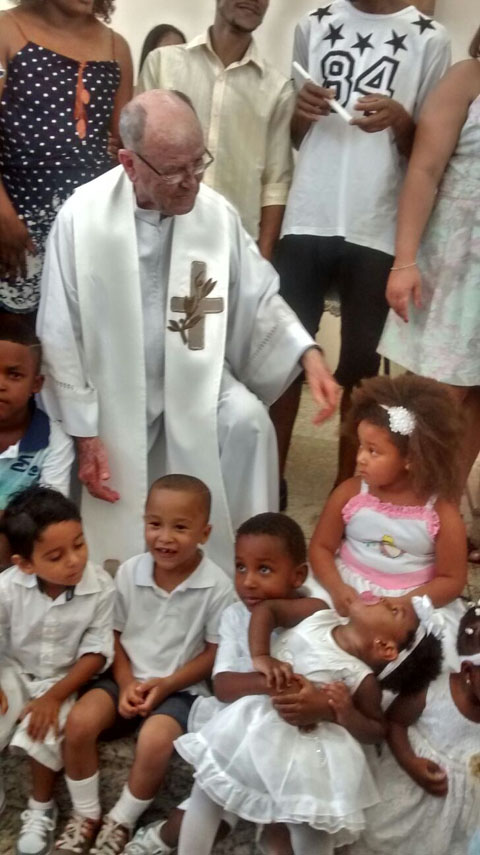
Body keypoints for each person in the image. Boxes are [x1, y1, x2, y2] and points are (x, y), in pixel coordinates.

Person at [37, 89, 339, 570]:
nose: (192, 182)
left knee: (248, 422)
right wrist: (86, 434)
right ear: (130, 163)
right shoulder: (82, 217)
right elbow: (59, 330)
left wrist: (308, 353)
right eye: (174, 171)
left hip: (194, 383)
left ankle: (245, 566)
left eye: (199, 163)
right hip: (111, 396)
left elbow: (258, 296)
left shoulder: (214, 214)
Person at [270, 0, 451, 491]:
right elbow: (295, 136)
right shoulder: (313, 24)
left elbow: (429, 150)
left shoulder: (429, 37)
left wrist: (401, 120)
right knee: (284, 355)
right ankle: (269, 478)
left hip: (379, 220)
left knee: (361, 368)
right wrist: (301, 114)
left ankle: (348, 490)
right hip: (307, 213)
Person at [175, 594, 443, 855]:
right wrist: (262, 655)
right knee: (208, 788)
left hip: (307, 755)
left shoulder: (362, 680)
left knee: (310, 826)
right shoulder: (318, 612)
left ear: (385, 647)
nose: (384, 599)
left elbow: (376, 730)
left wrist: (343, 712)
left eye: (394, 610)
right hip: (253, 725)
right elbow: (268, 611)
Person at [54, 475, 234, 855]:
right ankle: (85, 814)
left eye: (180, 527)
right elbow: (114, 634)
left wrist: (166, 684)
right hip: (124, 676)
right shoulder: (130, 572)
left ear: (204, 533)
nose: (164, 537)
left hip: (179, 688)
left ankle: (121, 820)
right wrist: (124, 682)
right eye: (155, 524)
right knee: (80, 722)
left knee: (155, 740)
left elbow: (213, 652)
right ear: (144, 522)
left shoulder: (217, 586)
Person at [125, 511, 309, 855]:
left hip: (291, 741)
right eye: (240, 567)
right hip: (237, 733)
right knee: (208, 813)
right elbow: (223, 685)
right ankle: (157, 839)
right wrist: (273, 683)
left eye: (264, 570)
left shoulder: (316, 616)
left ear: (298, 575)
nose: (248, 581)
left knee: (287, 827)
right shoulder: (236, 616)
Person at [378, 26, 480, 498]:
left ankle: (445, 510)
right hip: (456, 267)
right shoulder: (468, 77)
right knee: (434, 400)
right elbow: (424, 169)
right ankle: (395, 506)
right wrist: (404, 261)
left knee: (475, 403)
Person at [309, 373, 467, 665]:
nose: (360, 458)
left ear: (411, 459)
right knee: (312, 630)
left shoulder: (440, 512)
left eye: (373, 451)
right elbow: (320, 547)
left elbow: (452, 578)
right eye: (360, 446)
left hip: (408, 600)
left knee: (431, 657)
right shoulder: (351, 493)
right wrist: (336, 587)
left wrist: (407, 604)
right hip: (348, 585)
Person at [0, 0, 133, 321]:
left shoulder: (117, 48)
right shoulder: (6, 31)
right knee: (17, 343)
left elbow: (125, 150)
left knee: (82, 340)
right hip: (16, 229)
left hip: (90, 236)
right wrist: (2, 214)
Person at [0, 486, 114, 855]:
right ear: (25, 564)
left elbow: (96, 653)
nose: (74, 561)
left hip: (63, 679)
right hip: (14, 668)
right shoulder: (7, 588)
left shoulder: (100, 587)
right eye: (56, 556)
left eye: (79, 545)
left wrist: (54, 696)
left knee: (45, 727)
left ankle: (40, 806)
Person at [137, 0, 294, 259]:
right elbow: (137, 159)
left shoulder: (277, 90)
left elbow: (275, 183)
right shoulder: (163, 64)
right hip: (160, 238)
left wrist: (262, 261)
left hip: (233, 247)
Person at [352, 603, 480, 855]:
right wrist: (410, 763)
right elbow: (395, 723)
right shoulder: (435, 689)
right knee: (386, 843)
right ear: (468, 670)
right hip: (413, 790)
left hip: (458, 811)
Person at [0, 315, 74, 567]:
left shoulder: (53, 438)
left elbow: (49, 514)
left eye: (14, 375)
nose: (1, 385)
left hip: (20, 556)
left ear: (36, 383)